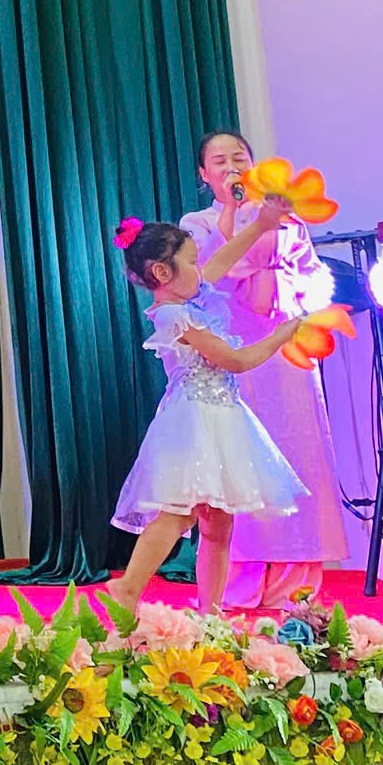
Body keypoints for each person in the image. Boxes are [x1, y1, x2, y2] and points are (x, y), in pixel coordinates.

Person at [103, 210, 310, 622]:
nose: (202, 269)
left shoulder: (189, 297)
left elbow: (221, 260)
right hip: (194, 421)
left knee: (218, 525)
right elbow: (234, 360)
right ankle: (128, 587)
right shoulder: (173, 315)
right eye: (192, 262)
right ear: (162, 272)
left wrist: (261, 225)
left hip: (220, 417)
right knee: (178, 512)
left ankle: (210, 613)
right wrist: (279, 337)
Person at [184, 129, 348, 610]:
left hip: (284, 350)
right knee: (241, 461)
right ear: (203, 174)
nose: (231, 166)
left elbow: (312, 273)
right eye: (219, 161)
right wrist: (238, 219)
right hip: (233, 352)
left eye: (239, 157)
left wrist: (292, 286)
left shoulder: (287, 218)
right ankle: (239, 584)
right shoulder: (197, 223)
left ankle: (296, 585)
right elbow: (205, 275)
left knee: (297, 457)